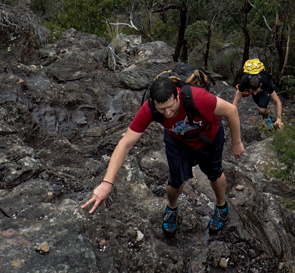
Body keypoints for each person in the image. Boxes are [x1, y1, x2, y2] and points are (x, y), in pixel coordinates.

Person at [82, 70, 245, 234]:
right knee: (175, 182)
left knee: (214, 173)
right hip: (178, 141)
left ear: (177, 95)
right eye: (162, 109)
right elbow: (125, 143)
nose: (167, 113)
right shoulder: (150, 108)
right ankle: (172, 208)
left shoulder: (198, 98)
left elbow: (231, 110)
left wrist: (236, 143)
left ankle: (221, 206)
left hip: (208, 137)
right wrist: (106, 183)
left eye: (170, 107)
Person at [234, 59, 283, 128]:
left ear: (260, 85)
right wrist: (232, 115)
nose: (254, 93)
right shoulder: (244, 81)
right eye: (252, 91)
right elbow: (236, 100)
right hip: (257, 87)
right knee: (260, 106)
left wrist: (279, 119)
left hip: (265, 90)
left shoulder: (266, 82)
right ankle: (268, 116)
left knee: (261, 109)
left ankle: (271, 116)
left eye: (256, 91)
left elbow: (278, 102)